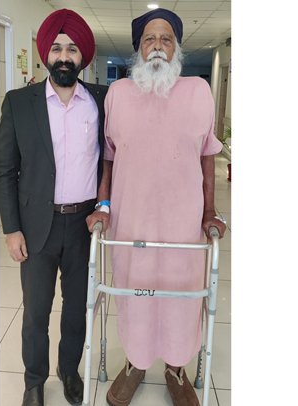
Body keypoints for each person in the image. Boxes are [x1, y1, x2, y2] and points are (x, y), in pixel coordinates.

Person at [85, 8, 227, 406]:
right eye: (150, 39)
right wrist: (105, 204)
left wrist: (209, 212)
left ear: (177, 47)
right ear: (138, 49)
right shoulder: (118, 94)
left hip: (182, 221)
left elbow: (207, 155)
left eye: (166, 39)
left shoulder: (198, 91)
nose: (158, 47)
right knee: (134, 293)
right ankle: (135, 363)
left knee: (181, 295)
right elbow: (109, 157)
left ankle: (177, 368)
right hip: (132, 219)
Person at [0, 9, 108, 406]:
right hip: (35, 225)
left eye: (73, 49)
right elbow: (5, 169)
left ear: (84, 57)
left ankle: (68, 370)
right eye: (58, 48)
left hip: (83, 224)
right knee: (35, 313)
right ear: (46, 53)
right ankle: (33, 381)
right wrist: (12, 229)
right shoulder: (18, 103)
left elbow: (111, 160)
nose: (65, 56)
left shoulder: (100, 101)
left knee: (77, 308)